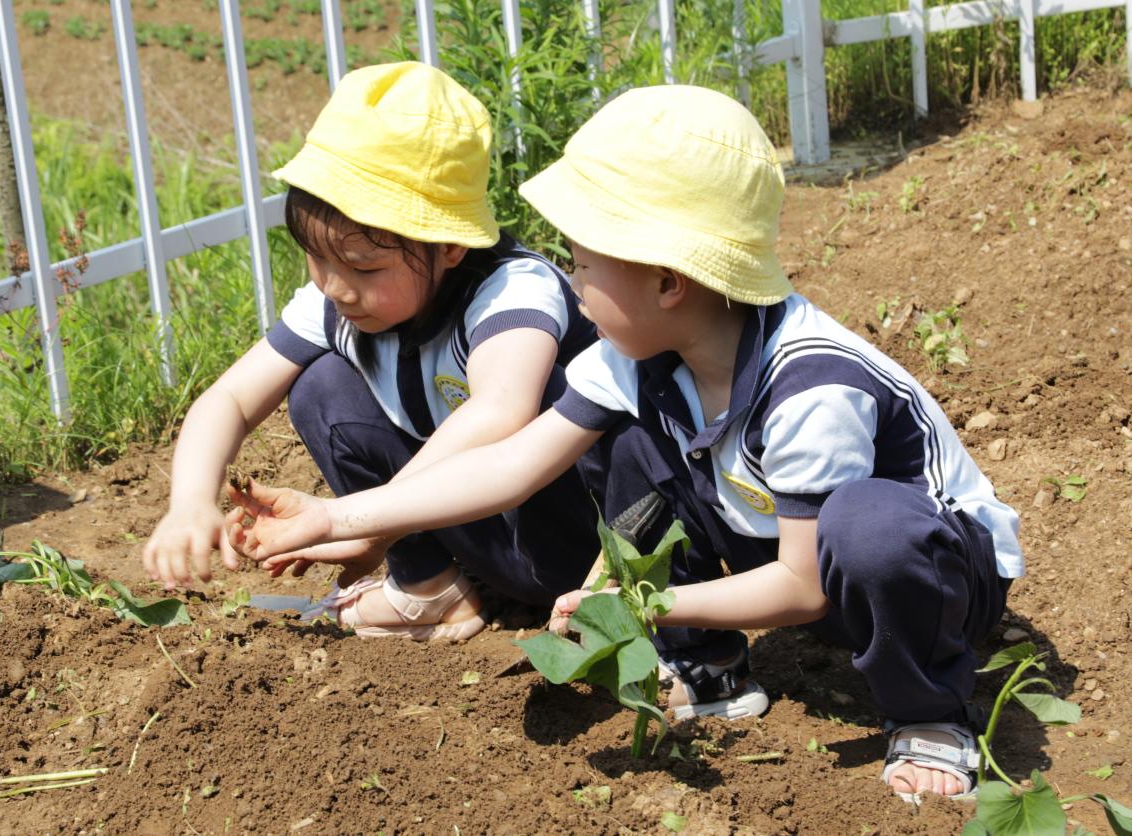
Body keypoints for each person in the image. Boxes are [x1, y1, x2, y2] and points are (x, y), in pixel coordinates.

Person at [228, 85, 1024, 803]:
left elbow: (807, 586)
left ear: (667, 282)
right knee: (638, 453)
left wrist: (649, 601)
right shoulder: (632, 359)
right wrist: (339, 519)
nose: (572, 287)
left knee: (869, 528)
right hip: (782, 548)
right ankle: (706, 667)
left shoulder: (813, 389)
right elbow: (510, 467)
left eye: (582, 266)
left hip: (925, 578)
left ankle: (929, 715)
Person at [142, 61, 601, 640]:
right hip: (478, 536)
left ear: (452, 244)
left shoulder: (512, 290)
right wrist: (189, 501)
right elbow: (230, 397)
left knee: (550, 393)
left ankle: (568, 604)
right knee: (321, 385)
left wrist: (363, 525)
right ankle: (429, 589)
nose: (335, 286)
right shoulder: (335, 302)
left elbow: (501, 413)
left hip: (578, 554)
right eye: (317, 257)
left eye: (364, 266)